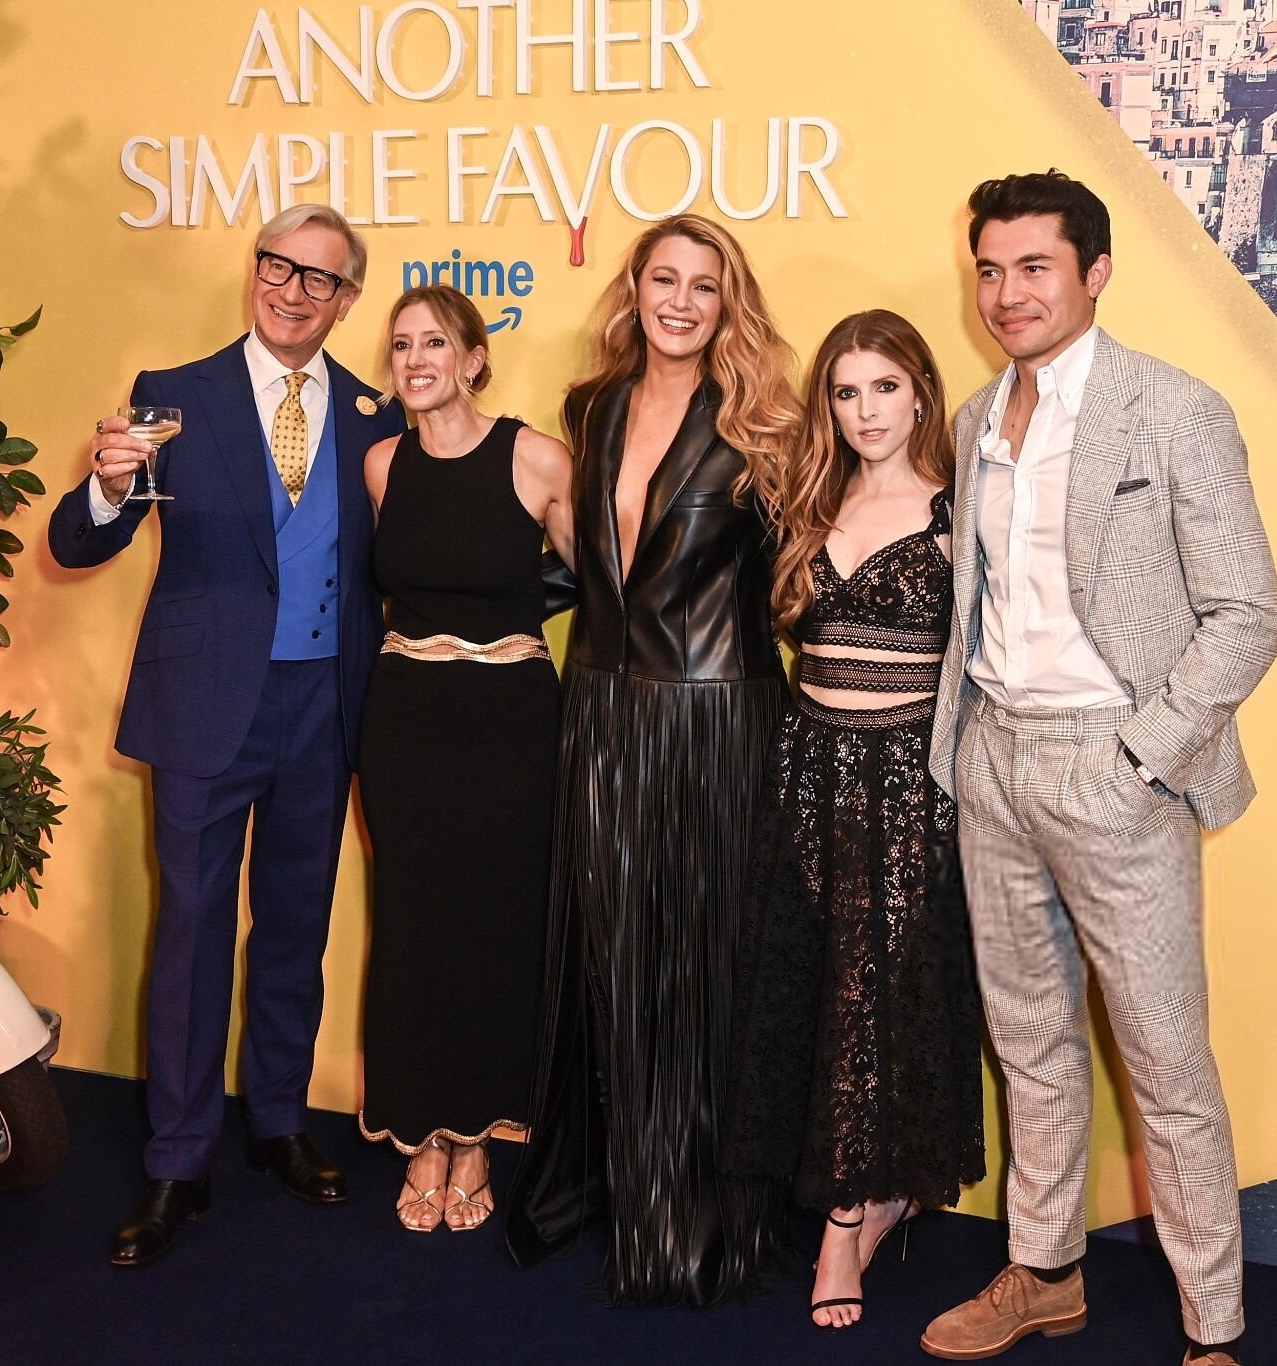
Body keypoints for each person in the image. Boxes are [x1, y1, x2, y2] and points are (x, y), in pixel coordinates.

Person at [919, 171, 1277, 1366]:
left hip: (1113, 766)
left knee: (1166, 1064)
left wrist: (1138, 755)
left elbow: (1245, 614)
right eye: (989, 270)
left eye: (1033, 267)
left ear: (1094, 273)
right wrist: (967, 752)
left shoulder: (1171, 411)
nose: (1005, 293)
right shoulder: (974, 420)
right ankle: (1043, 1273)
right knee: (1027, 1046)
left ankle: (1213, 1329)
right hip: (993, 760)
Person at [47, 204, 405, 1267]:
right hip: (204, 704)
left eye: (318, 278)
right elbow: (76, 543)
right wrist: (109, 485)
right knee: (194, 931)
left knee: (295, 925)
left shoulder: (375, 415)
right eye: (277, 267)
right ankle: (177, 1158)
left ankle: (279, 1122)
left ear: (346, 300)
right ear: (255, 272)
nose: (292, 291)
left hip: (324, 708)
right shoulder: (175, 393)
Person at [505, 213, 800, 1306]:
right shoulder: (591, 407)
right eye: (662, 279)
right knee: (609, 959)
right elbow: (585, 566)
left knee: (703, 966)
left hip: (716, 721)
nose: (679, 301)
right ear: (632, 289)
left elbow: (798, 582)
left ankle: (703, 1222)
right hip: (599, 710)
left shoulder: (764, 423)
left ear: (729, 304)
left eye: (702, 286)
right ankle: (618, 1190)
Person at [720, 310, 986, 1331]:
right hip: (806, 768)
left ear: (919, 394)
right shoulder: (808, 500)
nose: (865, 410)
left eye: (884, 387)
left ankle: (849, 1218)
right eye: (845, 391)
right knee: (818, 979)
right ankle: (863, 1192)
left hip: (909, 780)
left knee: (889, 990)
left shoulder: (961, 508)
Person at [354, 284, 573, 1234]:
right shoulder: (381, 465)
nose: (416, 360)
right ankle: (422, 1134)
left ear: (475, 359)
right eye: (402, 345)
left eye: (435, 343)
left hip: (511, 724)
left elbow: (601, 582)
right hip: (404, 722)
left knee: (494, 926)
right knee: (413, 927)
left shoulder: (537, 458)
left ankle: (476, 1135)